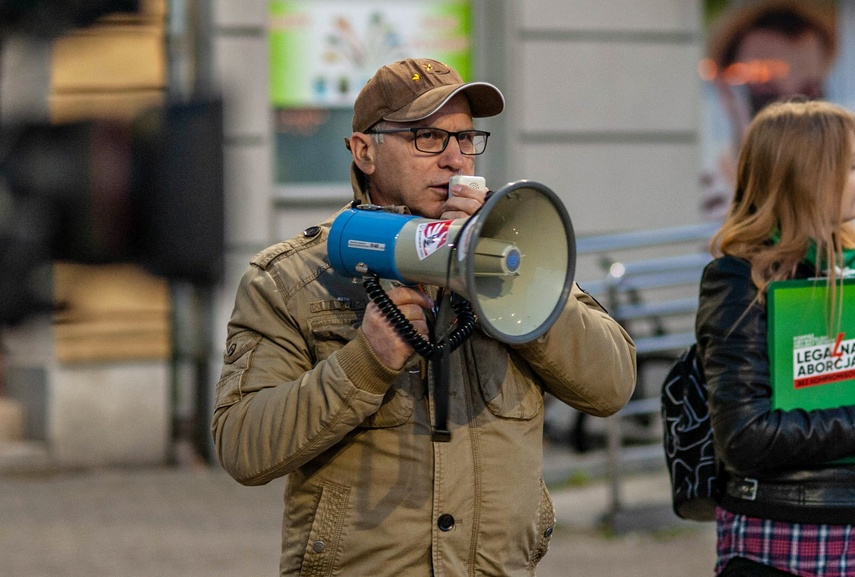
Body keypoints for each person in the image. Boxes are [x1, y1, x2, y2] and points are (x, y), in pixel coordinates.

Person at [211, 57, 637, 576]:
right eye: (428, 138)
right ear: (365, 150)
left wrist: (513, 288)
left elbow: (612, 384)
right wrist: (363, 364)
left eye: (465, 139)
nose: (455, 160)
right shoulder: (293, 278)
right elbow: (242, 446)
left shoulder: (510, 251)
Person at [696, 99, 855, 577]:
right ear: (812, 176)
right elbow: (744, 437)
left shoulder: (845, 265)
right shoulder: (740, 279)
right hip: (786, 536)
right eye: (851, 165)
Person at [700, 0, 837, 220]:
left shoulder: (840, 200)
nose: (792, 116)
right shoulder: (697, 204)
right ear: (726, 93)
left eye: (809, 96)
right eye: (767, 95)